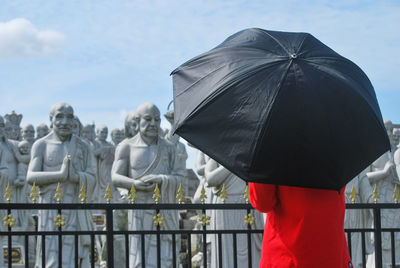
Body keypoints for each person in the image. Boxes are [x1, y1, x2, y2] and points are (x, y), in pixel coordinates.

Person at [112, 102, 184, 268]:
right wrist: (134, 184)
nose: (153, 124)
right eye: (148, 119)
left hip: (165, 209)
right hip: (139, 208)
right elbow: (115, 177)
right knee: (140, 254)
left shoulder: (168, 148)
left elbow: (180, 176)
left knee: (166, 255)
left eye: (157, 120)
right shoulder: (126, 146)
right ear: (137, 122)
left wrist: (162, 179)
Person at [27, 102, 96, 268]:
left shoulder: (83, 147)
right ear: (51, 119)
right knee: (50, 254)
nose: (65, 121)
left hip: (74, 206)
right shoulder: (41, 145)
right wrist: (59, 175)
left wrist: (76, 177)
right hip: (49, 208)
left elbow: (93, 177)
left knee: (73, 254)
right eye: (59, 116)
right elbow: (31, 176)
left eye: (69, 117)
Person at [249, 182, 353, 268]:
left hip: (286, 256)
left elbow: (262, 202)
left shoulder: (275, 157)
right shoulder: (334, 157)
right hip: (331, 252)